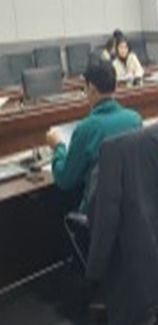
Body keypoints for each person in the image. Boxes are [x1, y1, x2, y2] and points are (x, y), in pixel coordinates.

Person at [45, 60, 142, 214]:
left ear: (91, 89)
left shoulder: (86, 129)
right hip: (131, 210)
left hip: (97, 214)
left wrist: (58, 147)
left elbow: (64, 179)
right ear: (115, 86)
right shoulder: (135, 120)